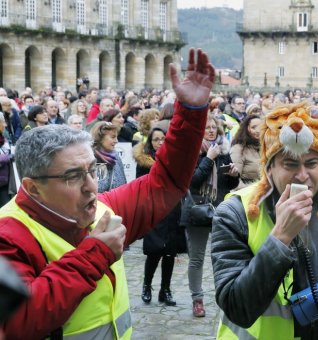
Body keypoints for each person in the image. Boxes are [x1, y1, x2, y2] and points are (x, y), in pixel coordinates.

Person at [0, 48, 214, 339]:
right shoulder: (8, 233)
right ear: (32, 188)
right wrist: (96, 254)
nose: (91, 185)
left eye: (92, 170)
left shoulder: (103, 208)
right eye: (73, 176)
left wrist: (190, 114)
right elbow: (15, 323)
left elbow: (165, 183)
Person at [211, 102, 318, 339]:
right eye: (290, 164)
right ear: (269, 168)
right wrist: (280, 238)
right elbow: (237, 307)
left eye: (312, 163)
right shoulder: (236, 213)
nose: (303, 175)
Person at [184, 114, 239, 318]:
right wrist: (208, 159)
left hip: (219, 209)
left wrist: (234, 175)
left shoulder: (223, 150)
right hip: (198, 210)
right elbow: (193, 181)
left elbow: (228, 185)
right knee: (197, 258)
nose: (210, 130)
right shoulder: (192, 152)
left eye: (213, 127)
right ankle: (197, 299)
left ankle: (224, 294)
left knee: (221, 256)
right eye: (206, 127)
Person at [133, 127, 186, 306]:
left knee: (170, 253)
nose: (160, 142)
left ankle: (166, 289)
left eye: (163, 138)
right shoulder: (144, 162)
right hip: (154, 210)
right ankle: (147, 286)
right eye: (156, 139)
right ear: (151, 142)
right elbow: (139, 187)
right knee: (154, 251)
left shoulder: (174, 159)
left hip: (172, 209)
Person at [90, 121, 127, 193]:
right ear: (100, 138)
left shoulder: (115, 156)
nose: (116, 141)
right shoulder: (92, 159)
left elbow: (124, 184)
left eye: (116, 137)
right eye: (113, 137)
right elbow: (98, 189)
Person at [230, 114, 262, 190]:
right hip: (246, 194)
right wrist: (250, 192)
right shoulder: (238, 149)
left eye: (261, 127)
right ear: (247, 129)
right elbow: (234, 179)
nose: (258, 130)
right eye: (254, 127)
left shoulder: (266, 148)